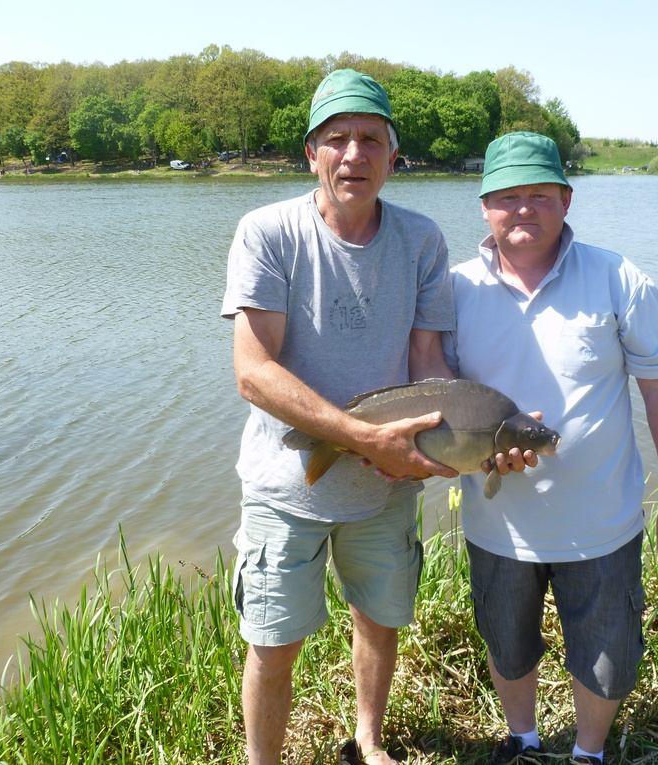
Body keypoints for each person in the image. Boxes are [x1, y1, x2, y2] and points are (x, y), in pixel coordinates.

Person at [221, 69, 459, 765]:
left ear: (392, 157)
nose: (353, 154)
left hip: (384, 488)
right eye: (337, 139)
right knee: (273, 641)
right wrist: (362, 438)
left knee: (380, 618)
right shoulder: (267, 232)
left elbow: (428, 363)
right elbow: (252, 372)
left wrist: (458, 443)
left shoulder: (422, 240)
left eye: (370, 140)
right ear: (312, 155)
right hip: (282, 482)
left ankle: (369, 739)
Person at [444, 132, 658, 764]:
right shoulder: (452, 288)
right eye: (507, 196)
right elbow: (435, 397)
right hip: (496, 522)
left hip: (602, 522)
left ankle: (589, 752)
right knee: (507, 644)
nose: (523, 208)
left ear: (566, 198)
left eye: (539, 194)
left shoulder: (618, 279)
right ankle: (524, 740)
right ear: (484, 206)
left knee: (609, 655)